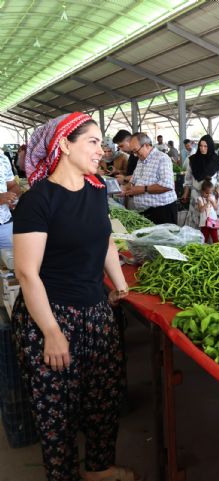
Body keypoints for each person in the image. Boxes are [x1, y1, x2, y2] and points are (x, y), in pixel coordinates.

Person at [13, 112, 134, 481]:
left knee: (103, 398)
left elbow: (107, 241)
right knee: (57, 411)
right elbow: (26, 272)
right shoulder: (38, 201)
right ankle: (62, 474)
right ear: (64, 145)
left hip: (95, 311)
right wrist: (51, 331)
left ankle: (99, 468)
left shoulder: (97, 191)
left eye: (102, 142)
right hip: (52, 315)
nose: (102, 150)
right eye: (93, 142)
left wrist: (121, 286)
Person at [123, 132, 178, 224]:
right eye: (133, 152)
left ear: (147, 145)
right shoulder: (140, 160)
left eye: (136, 151)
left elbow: (167, 186)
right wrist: (124, 189)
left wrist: (143, 189)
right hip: (146, 212)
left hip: (163, 211)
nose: (135, 155)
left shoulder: (162, 158)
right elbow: (134, 181)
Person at [183, 135, 219, 238]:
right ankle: (195, 244)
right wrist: (185, 193)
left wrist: (216, 192)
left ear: (210, 147)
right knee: (196, 220)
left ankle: (214, 245)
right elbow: (188, 179)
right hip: (196, 195)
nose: (202, 148)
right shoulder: (192, 160)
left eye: (205, 146)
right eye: (201, 146)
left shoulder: (217, 161)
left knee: (212, 220)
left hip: (212, 196)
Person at [0, 151, 20, 249]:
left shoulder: (2, 158)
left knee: (16, 262)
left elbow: (12, 185)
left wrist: (13, 197)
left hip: (5, 222)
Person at [197, 177, 219, 244]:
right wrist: (207, 203)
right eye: (207, 193)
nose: (208, 195)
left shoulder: (212, 197)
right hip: (204, 223)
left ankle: (218, 249)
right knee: (204, 238)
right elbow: (201, 210)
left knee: (215, 238)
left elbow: (216, 208)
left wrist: (212, 202)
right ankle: (204, 250)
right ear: (202, 191)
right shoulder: (200, 199)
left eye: (210, 193)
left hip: (213, 222)